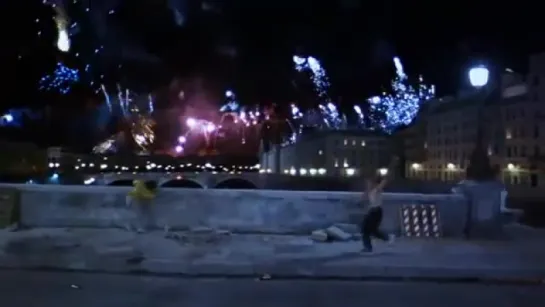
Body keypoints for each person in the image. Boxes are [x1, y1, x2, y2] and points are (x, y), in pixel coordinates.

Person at [360, 158, 397, 253]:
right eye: (366, 183)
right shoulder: (369, 191)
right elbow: (364, 198)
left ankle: (371, 246)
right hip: (373, 211)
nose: (367, 185)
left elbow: (386, 179)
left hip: (376, 212)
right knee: (371, 230)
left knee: (366, 229)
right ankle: (387, 238)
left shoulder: (377, 189)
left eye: (368, 183)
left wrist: (392, 165)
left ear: (372, 183)